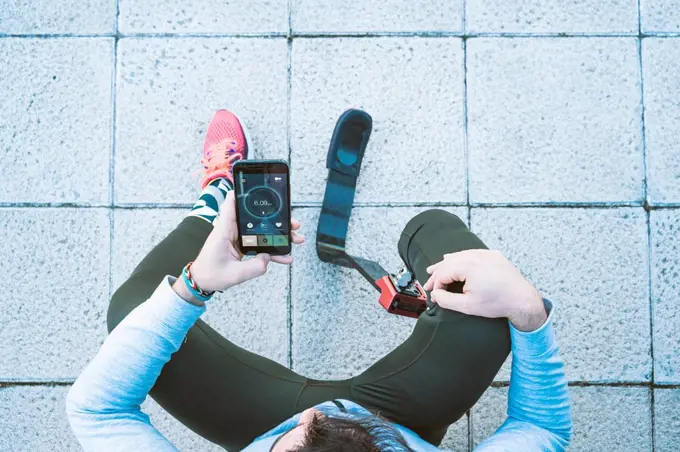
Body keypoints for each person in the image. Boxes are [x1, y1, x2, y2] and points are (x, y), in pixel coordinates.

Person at [66, 110, 573, 451]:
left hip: (260, 420)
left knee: (132, 310)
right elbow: (541, 428)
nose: (314, 413)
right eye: (326, 424)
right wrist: (528, 313)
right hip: (402, 421)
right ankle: (425, 279)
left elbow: (99, 411)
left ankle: (217, 200)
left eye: (296, 440)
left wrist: (194, 284)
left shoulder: (293, 428)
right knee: (457, 259)